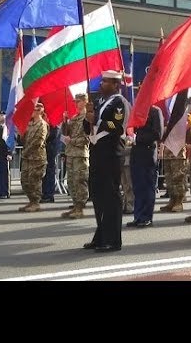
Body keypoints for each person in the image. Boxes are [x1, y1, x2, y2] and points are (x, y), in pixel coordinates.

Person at [83, 70, 130, 252]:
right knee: (97, 195)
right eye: (101, 81)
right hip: (97, 152)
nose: (101, 84)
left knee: (111, 196)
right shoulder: (98, 101)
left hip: (111, 153)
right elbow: (88, 127)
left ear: (115, 85)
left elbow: (117, 126)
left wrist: (98, 121)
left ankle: (113, 239)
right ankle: (101, 235)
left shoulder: (119, 102)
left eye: (105, 82)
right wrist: (88, 118)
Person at [127, 104, 163, 228]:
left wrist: (138, 138)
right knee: (137, 187)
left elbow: (158, 133)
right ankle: (138, 216)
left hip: (147, 153)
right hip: (136, 153)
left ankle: (146, 217)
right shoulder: (137, 110)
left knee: (147, 186)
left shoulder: (154, 111)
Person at [61, 93, 90, 218]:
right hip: (71, 153)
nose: (75, 104)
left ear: (84, 102)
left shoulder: (87, 118)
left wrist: (71, 141)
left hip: (80, 154)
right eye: (75, 101)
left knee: (79, 181)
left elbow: (86, 139)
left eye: (78, 101)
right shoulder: (74, 118)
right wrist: (65, 121)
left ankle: (80, 208)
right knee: (71, 181)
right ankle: (75, 205)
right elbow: (66, 132)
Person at [18, 103, 49, 212]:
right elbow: (24, 140)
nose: (31, 112)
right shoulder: (30, 124)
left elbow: (38, 141)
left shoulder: (42, 124)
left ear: (39, 111)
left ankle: (35, 202)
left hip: (37, 158)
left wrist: (26, 151)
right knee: (25, 181)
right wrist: (21, 134)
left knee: (34, 181)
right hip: (27, 157)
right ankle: (31, 201)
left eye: (34, 110)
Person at [41, 122, 60, 203]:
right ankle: (44, 192)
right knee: (44, 172)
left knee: (49, 171)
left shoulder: (53, 124)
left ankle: (49, 194)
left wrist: (43, 137)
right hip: (44, 150)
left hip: (50, 149)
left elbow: (52, 135)